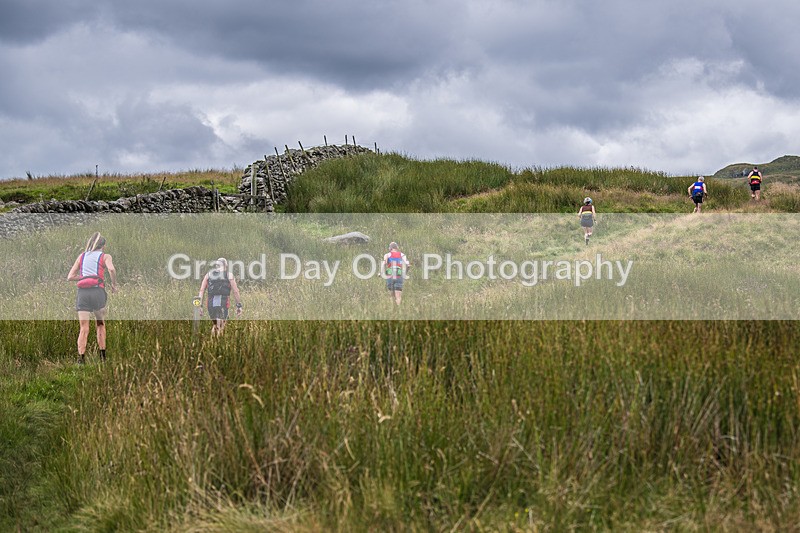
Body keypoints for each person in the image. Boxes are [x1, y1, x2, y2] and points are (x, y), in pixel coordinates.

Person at [67, 232, 117, 364]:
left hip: (83, 294)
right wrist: (113, 285)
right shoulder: (105, 256)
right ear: (103, 245)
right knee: (100, 325)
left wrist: (83, 277)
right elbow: (111, 270)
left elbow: (70, 277)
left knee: (84, 328)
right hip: (97, 293)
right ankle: (102, 357)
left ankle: (80, 360)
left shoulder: (82, 256)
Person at [197, 258, 242, 337]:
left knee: (216, 325)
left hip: (210, 303)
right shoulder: (229, 275)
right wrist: (239, 305)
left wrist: (200, 306)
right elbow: (236, 291)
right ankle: (217, 345)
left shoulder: (208, 275)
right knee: (220, 326)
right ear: (226, 265)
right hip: (223, 302)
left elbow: (201, 290)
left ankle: (212, 344)